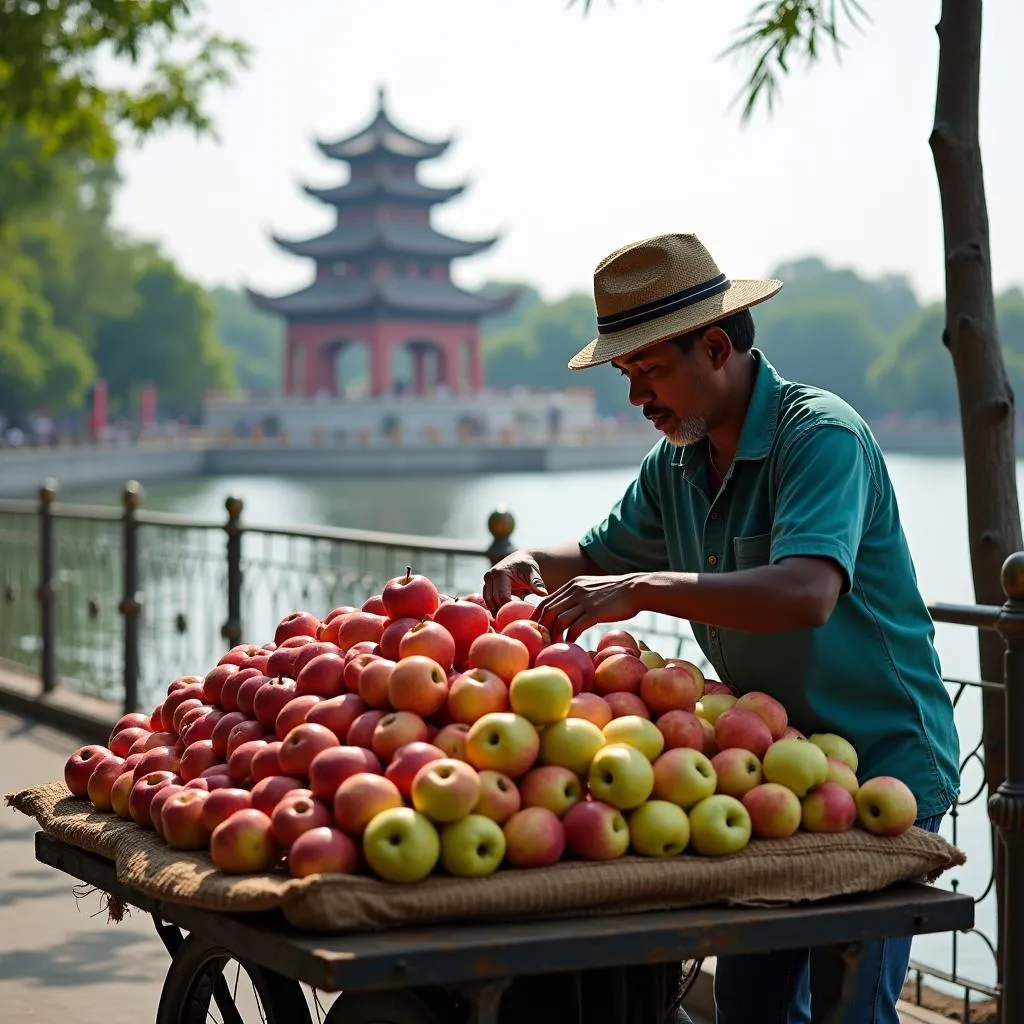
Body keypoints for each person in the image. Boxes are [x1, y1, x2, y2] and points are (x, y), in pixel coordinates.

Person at [482, 233, 960, 1024]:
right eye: (628, 377)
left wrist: (641, 591)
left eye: (651, 372)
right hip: (764, 765)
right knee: (755, 1005)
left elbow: (807, 591)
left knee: (853, 1009)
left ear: (715, 346)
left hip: (881, 762)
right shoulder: (674, 461)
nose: (638, 399)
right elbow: (596, 554)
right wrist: (532, 557)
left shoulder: (819, 437)